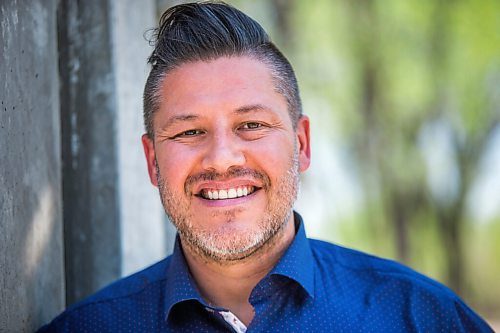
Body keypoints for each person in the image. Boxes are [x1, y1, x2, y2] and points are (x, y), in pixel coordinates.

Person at [38, 2, 493, 332]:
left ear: (301, 143)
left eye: (251, 124)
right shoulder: (90, 327)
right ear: (153, 161)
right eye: (189, 132)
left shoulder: (417, 315)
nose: (222, 158)